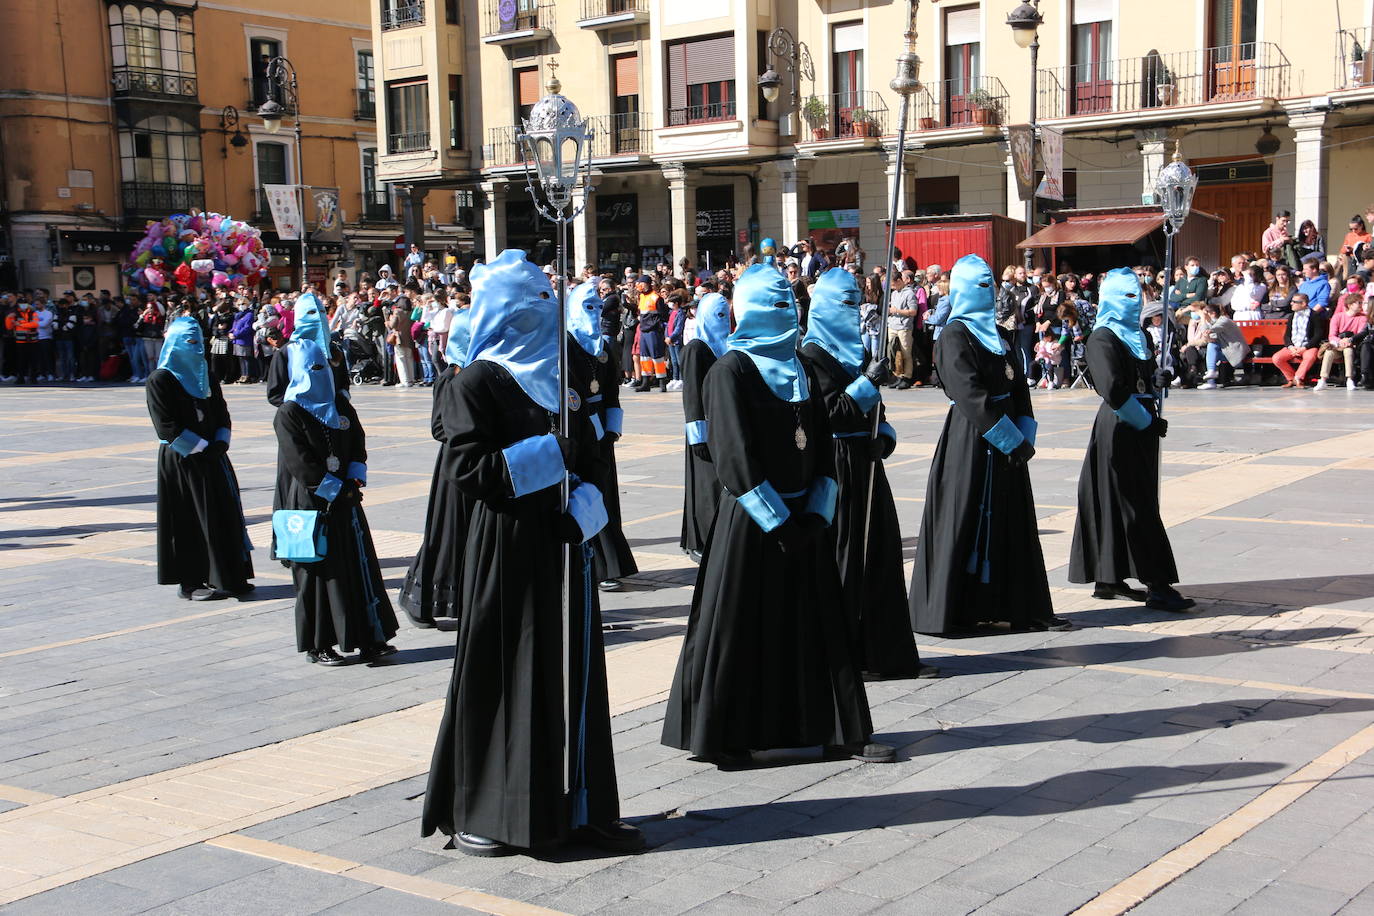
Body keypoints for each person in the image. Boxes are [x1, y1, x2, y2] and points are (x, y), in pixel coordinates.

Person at [421, 250, 640, 858]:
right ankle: (492, 810)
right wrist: (551, 454)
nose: (543, 318)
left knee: (573, 669)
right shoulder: (475, 382)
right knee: (509, 666)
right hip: (509, 543)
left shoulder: (567, 372)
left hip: (567, 538)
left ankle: (580, 803)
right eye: (529, 308)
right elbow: (469, 468)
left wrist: (586, 510)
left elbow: (595, 449)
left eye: (549, 303)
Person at [662, 262, 886, 768]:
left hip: (804, 515)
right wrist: (778, 520)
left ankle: (836, 728)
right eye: (775, 303)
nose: (786, 312)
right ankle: (731, 735)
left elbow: (822, 440)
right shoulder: (730, 370)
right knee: (745, 626)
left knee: (819, 624)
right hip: (753, 521)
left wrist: (818, 508)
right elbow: (734, 456)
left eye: (790, 301)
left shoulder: (802, 367)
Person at [909, 255, 1065, 634]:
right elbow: (969, 394)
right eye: (978, 285)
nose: (987, 292)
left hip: (1010, 442)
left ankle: (1016, 606)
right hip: (971, 442)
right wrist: (1010, 439)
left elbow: (1019, 389)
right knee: (965, 517)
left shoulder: (999, 334)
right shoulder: (953, 335)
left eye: (990, 284)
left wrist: (1025, 436)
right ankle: (952, 611)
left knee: (1013, 524)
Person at [799, 268, 933, 680]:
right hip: (837, 465)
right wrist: (865, 386)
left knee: (881, 554)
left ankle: (886, 653)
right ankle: (847, 655)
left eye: (855, 302)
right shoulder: (809, 357)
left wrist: (885, 439)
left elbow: (878, 414)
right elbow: (827, 415)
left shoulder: (853, 352)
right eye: (843, 303)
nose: (851, 311)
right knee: (846, 557)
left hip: (867, 462)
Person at [1068, 268, 1192, 612]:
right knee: (1134, 505)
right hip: (1121, 427)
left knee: (1130, 500)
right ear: (1108, 297)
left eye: (1137, 295)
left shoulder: (1138, 335)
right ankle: (1158, 583)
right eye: (1126, 296)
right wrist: (1144, 421)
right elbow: (1112, 389)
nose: (1133, 302)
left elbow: (1143, 379)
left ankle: (1109, 578)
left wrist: (1160, 377)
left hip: (1144, 424)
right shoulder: (1102, 338)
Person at [274, 336, 398, 666]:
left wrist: (355, 474)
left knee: (358, 569)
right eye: (310, 368)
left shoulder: (339, 405)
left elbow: (357, 439)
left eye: (322, 367)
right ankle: (320, 644)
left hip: (346, 498)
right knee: (317, 575)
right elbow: (300, 463)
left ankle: (370, 637)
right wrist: (333, 489)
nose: (317, 374)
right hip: (311, 503)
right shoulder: (289, 413)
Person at [146, 314, 254, 602]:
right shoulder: (161, 379)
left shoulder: (206, 374)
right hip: (183, 459)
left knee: (223, 514)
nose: (195, 348)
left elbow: (221, 411)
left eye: (199, 342)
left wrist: (221, 440)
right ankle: (191, 581)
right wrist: (200, 448)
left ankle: (230, 575)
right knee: (188, 518)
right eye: (188, 342)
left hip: (212, 456)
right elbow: (166, 426)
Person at [399, 310, 473, 628]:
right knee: (444, 533)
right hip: (453, 464)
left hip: (472, 462)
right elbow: (439, 428)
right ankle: (420, 601)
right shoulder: (450, 377)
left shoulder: (476, 375)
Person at [567, 280, 637, 592]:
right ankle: (591, 562)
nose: (594, 313)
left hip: (601, 433)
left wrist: (612, 426)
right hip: (577, 431)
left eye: (597, 307)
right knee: (582, 494)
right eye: (587, 307)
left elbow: (611, 391)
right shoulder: (565, 346)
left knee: (605, 493)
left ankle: (611, 562)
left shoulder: (604, 348)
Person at [679, 286, 729, 561]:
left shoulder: (724, 345)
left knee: (716, 483)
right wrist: (697, 432)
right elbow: (691, 394)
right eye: (717, 314)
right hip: (703, 427)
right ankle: (702, 538)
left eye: (726, 314)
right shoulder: (696, 349)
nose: (722, 320)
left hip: (721, 425)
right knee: (705, 484)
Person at [1272, 292, 1327, 389]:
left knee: (1310, 357)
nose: (1291, 304)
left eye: (1294, 302)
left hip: (1308, 346)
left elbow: (1318, 335)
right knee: (1277, 358)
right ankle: (1291, 379)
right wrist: (1291, 347)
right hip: (1293, 346)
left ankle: (1298, 378)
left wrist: (1305, 347)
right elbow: (1287, 335)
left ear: (1303, 304)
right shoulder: (1292, 316)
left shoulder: (1314, 316)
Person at [1316, 294, 1366, 390]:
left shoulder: (1362, 318)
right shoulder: (1338, 317)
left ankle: (1350, 379)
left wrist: (1349, 341)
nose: (1361, 305)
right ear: (1350, 305)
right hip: (1338, 345)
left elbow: (1360, 334)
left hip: (1352, 345)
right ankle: (1322, 379)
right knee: (1329, 352)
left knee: (1348, 351)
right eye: (1359, 303)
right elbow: (1332, 335)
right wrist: (1341, 341)